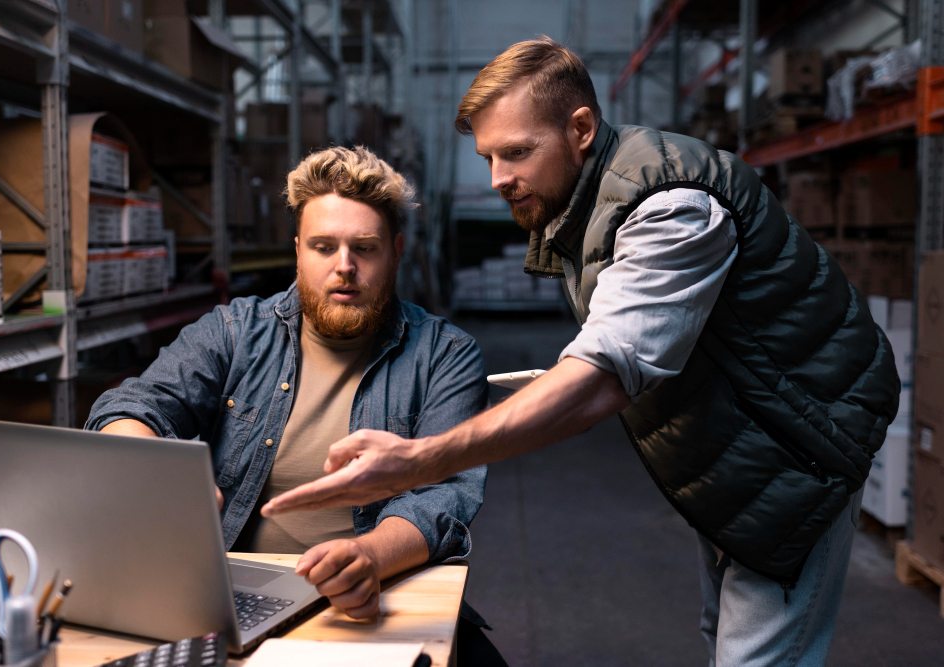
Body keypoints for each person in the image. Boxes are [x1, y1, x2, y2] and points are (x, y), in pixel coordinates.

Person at [264, 38, 902, 666]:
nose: (497, 180)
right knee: (724, 630)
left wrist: (416, 462)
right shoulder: (582, 203)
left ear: (581, 128)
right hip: (734, 448)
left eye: (515, 153)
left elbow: (606, 374)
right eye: (488, 157)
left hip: (798, 449)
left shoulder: (670, 208)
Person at [85, 146, 489, 625]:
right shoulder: (235, 331)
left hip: (380, 590)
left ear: (395, 253)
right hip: (232, 594)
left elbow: (443, 495)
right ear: (298, 250)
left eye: (364, 247)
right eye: (323, 247)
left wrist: (368, 558)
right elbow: (131, 406)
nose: (344, 266)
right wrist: (157, 475)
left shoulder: (445, 354)